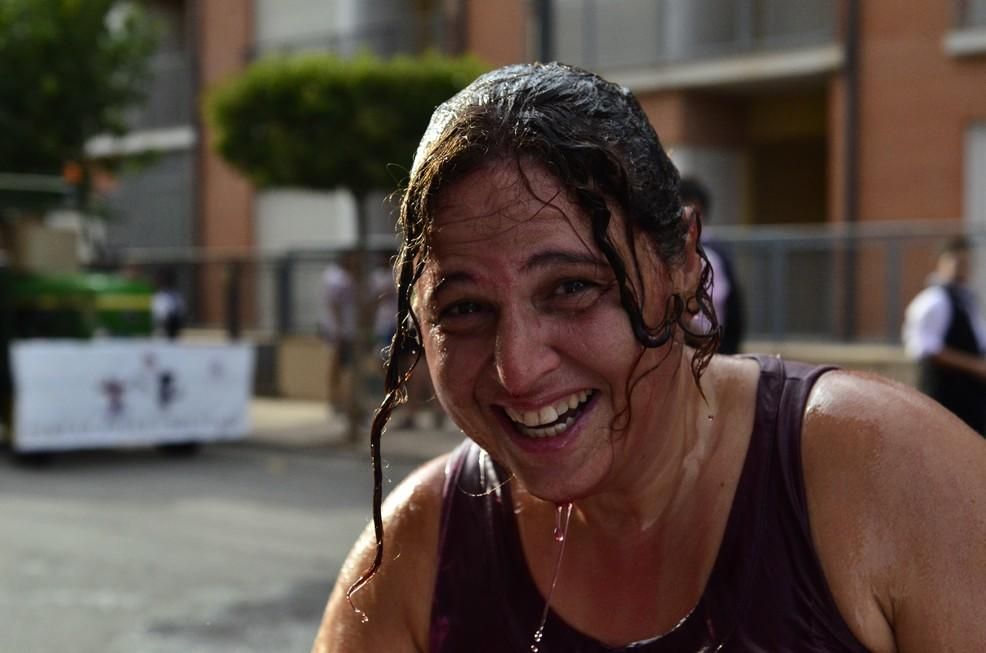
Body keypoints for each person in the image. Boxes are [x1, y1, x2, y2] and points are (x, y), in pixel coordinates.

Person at [313, 63, 986, 652]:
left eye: (572, 288)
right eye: (463, 308)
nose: (516, 368)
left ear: (684, 262)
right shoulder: (419, 553)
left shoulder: (893, 480)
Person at [902, 236, 986, 435]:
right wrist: (976, 367)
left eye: (965, 263)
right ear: (941, 262)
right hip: (947, 402)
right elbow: (926, 349)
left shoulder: (966, 299)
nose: (961, 268)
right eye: (956, 261)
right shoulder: (934, 301)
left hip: (970, 402)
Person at [679, 177, 745, 355]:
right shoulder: (708, 251)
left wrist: (677, 319)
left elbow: (708, 328)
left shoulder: (706, 256)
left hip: (707, 361)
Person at [318, 252, 357, 418]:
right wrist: (340, 329)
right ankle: (335, 400)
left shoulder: (343, 276)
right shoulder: (337, 277)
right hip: (338, 330)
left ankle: (340, 400)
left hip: (343, 329)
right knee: (337, 364)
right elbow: (334, 304)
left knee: (343, 366)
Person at [151, 266, 185, 340]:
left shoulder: (176, 296)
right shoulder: (157, 296)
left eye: (166, 279)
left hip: (172, 330)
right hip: (159, 329)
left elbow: (180, 314)